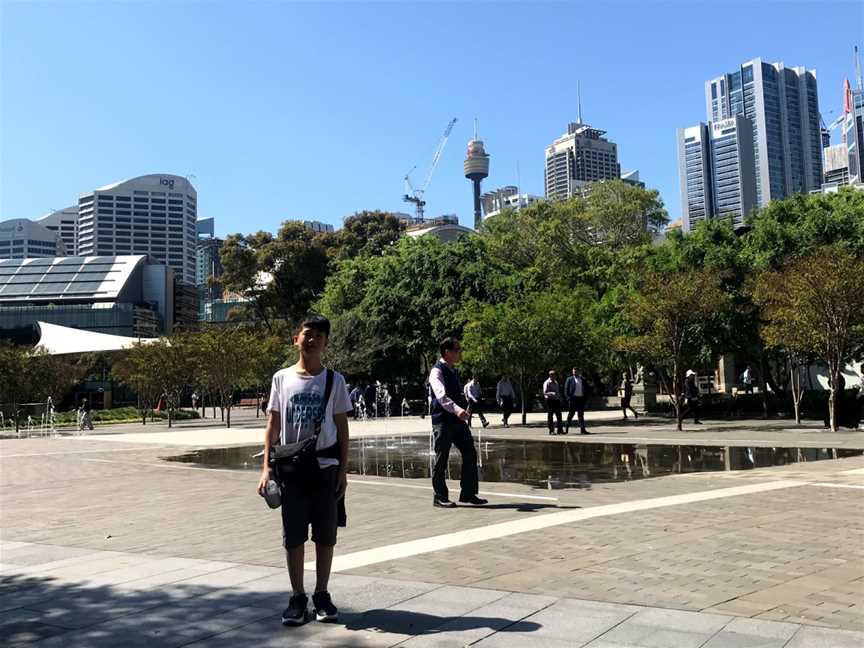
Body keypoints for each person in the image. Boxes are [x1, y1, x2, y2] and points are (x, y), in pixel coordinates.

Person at [257, 315, 351, 626]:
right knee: (293, 536)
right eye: (307, 334)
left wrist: (343, 470)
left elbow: (342, 428)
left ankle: (321, 593)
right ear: (296, 338)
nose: (312, 340)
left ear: (325, 343)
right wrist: (265, 469)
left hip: (325, 468)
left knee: (326, 535)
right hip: (291, 470)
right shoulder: (281, 378)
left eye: (319, 336)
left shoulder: (334, 380)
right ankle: (297, 596)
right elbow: (272, 425)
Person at [428, 338, 488, 508]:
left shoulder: (452, 370)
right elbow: (441, 396)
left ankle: (468, 493)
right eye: (457, 349)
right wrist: (458, 410)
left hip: (457, 421)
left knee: (470, 452)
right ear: (447, 352)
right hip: (443, 421)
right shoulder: (436, 372)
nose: (460, 352)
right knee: (442, 457)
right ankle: (439, 496)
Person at [564, 368, 588, 435]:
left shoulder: (582, 379)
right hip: (573, 399)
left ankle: (582, 429)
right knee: (571, 414)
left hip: (580, 399)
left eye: (576, 371)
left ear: (579, 372)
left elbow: (586, 389)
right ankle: (566, 428)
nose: (574, 372)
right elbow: (566, 390)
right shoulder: (569, 379)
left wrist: (585, 398)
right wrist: (568, 399)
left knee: (581, 415)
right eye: (573, 371)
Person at [543, 370, 565, 435]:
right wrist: (552, 393)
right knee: (550, 416)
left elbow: (558, 392)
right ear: (550, 375)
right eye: (553, 375)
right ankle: (551, 430)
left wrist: (560, 398)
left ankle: (560, 430)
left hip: (556, 400)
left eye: (555, 375)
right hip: (550, 401)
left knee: (559, 416)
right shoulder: (547, 382)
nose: (554, 376)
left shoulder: (556, 382)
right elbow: (545, 392)